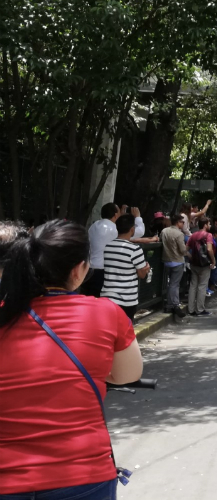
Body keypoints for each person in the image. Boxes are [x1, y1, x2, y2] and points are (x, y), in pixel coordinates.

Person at [0, 220, 143, 497]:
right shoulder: (106, 313)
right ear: (79, 270)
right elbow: (127, 374)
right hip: (83, 477)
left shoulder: (5, 313)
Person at [100, 214, 151, 322]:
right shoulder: (135, 249)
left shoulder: (108, 246)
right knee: (124, 334)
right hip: (126, 299)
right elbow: (141, 275)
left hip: (107, 297)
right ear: (132, 229)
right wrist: (146, 269)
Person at [81, 202, 124, 297]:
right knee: (98, 298)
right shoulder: (114, 228)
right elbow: (129, 235)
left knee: (87, 297)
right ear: (116, 215)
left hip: (88, 267)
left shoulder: (94, 225)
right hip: (102, 269)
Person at [186, 217, 216, 316]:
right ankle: (200, 309)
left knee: (193, 285)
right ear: (205, 225)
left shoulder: (193, 235)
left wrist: (190, 257)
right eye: (209, 224)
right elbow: (209, 249)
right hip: (204, 264)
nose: (210, 225)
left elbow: (185, 249)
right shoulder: (208, 235)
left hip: (194, 263)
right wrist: (213, 261)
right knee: (202, 286)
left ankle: (190, 309)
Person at [160, 213, 187, 317]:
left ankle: (170, 304)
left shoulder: (164, 231)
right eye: (182, 222)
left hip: (166, 260)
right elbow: (182, 250)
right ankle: (174, 305)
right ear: (178, 222)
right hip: (177, 261)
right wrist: (187, 249)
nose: (183, 224)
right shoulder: (179, 234)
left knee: (168, 284)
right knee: (174, 284)